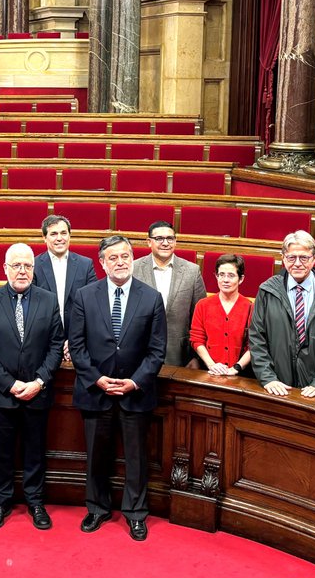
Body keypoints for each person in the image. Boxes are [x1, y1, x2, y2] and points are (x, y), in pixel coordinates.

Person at [68, 235, 166, 541]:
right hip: (95, 390)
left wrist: (134, 381)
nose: (120, 262)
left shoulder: (150, 297)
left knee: (136, 458)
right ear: (102, 262)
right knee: (97, 455)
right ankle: (97, 508)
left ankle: (136, 514)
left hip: (135, 392)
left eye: (125, 256)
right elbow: (78, 345)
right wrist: (97, 378)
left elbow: (157, 350)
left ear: (132, 258)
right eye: (113, 257)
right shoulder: (84, 296)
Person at [0, 242, 63, 531]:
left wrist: (38, 382)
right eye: (16, 265)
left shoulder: (49, 300)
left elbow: (54, 346)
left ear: (34, 269)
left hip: (38, 393)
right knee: (1, 451)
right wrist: (11, 384)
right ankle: (1, 501)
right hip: (2, 394)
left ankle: (36, 501)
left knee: (35, 450)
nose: (22, 270)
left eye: (27, 265)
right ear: (5, 269)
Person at [247, 231, 315, 398]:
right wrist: (268, 378)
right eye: (291, 258)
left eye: (304, 258)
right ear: (283, 258)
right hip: (277, 387)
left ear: (314, 258)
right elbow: (257, 339)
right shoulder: (267, 291)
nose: (297, 263)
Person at [132, 221, 205, 366]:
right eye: (159, 239)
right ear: (149, 242)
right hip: (139, 353)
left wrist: (196, 357)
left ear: (175, 241)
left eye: (170, 239)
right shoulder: (133, 269)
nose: (165, 243)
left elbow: (200, 319)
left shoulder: (192, 271)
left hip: (180, 355)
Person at [33, 214, 97, 358]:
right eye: (53, 234)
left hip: (79, 343)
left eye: (63, 233)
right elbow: (31, 308)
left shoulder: (85, 265)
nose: (59, 238)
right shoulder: (34, 266)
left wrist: (75, 339)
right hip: (43, 344)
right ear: (44, 238)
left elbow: (93, 306)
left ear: (69, 235)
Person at [189, 254, 253, 375]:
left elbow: (254, 345)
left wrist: (236, 368)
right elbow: (196, 339)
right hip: (208, 371)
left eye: (231, 275)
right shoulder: (202, 305)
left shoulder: (251, 307)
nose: (225, 280)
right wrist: (212, 365)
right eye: (221, 275)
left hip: (240, 374)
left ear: (241, 279)